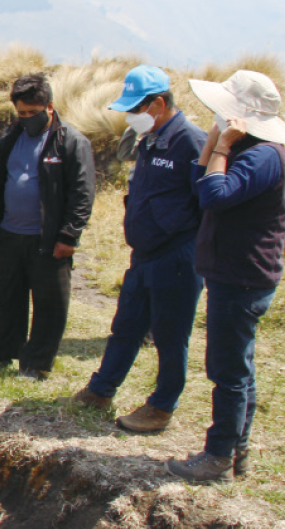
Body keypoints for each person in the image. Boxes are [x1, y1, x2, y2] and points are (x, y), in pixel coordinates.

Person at [59, 66, 206, 433]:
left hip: (177, 255)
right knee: (126, 326)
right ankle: (101, 390)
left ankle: (161, 407)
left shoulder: (192, 142)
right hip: (144, 254)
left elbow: (208, 203)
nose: (130, 116)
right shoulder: (150, 139)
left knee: (170, 336)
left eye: (136, 108)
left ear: (159, 103)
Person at [167, 70, 285, 483]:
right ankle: (236, 450)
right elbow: (198, 183)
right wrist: (213, 145)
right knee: (239, 367)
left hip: (242, 276)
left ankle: (219, 455)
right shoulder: (248, 150)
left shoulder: (262, 156)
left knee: (227, 371)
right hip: (232, 273)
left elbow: (213, 195)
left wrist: (221, 145)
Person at [0, 74, 95, 380]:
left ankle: (36, 364)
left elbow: (82, 194)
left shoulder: (71, 142)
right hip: (8, 235)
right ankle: (1, 353)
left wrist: (69, 235)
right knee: (7, 299)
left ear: (50, 107)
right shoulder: (10, 139)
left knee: (49, 304)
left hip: (47, 239)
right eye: (22, 113)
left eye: (34, 112)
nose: (28, 118)